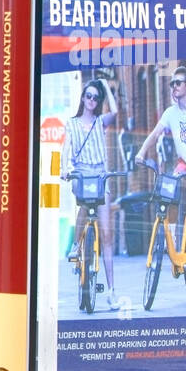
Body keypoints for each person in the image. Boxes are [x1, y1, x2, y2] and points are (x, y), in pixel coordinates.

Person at [134, 64, 186, 298]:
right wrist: (141, 152)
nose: (174, 87)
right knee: (168, 194)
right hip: (183, 164)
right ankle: (171, 241)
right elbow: (154, 133)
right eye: (172, 83)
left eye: (178, 83)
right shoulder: (171, 113)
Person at [62, 78, 119, 301]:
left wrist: (105, 85)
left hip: (100, 174)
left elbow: (115, 111)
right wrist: (66, 168)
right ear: (83, 98)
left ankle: (112, 291)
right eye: (89, 96)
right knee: (84, 207)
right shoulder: (73, 123)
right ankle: (76, 244)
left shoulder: (100, 121)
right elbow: (67, 148)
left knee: (106, 234)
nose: (92, 100)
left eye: (96, 97)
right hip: (82, 173)